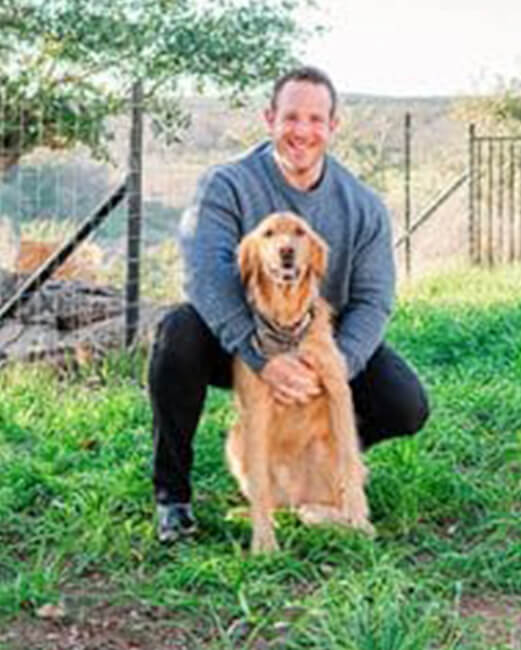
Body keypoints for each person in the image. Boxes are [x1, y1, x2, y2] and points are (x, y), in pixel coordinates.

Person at [148, 65, 429, 543]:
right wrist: (261, 357)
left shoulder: (362, 205)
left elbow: (373, 300)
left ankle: (313, 467)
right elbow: (204, 274)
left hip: (318, 340)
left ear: (333, 126)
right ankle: (173, 498)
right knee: (178, 333)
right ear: (270, 119)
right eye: (291, 117)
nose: (303, 131)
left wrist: (335, 365)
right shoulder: (227, 185)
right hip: (240, 338)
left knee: (405, 404)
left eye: (316, 119)